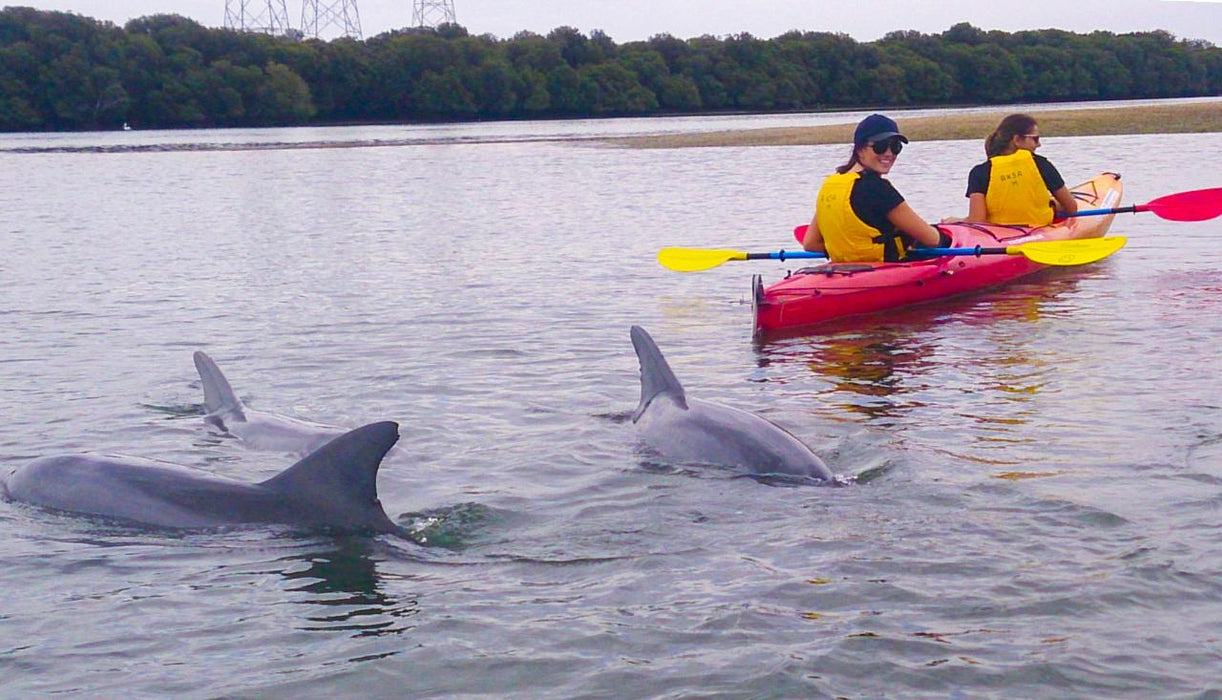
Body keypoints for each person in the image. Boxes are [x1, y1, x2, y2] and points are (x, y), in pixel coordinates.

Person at [803, 114, 947, 263]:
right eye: (880, 146)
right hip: (884, 269)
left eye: (895, 147)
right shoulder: (877, 188)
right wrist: (947, 228)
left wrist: (847, 250)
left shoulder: (832, 184)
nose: (889, 153)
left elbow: (810, 243)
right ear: (860, 149)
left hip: (843, 269)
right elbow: (932, 239)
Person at [963, 113, 1078, 226]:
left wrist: (960, 221)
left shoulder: (979, 172)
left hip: (999, 234)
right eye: (1035, 139)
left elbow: (977, 220)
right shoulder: (1041, 164)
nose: (1039, 145)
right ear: (1017, 139)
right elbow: (1071, 208)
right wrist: (1053, 205)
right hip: (1039, 229)